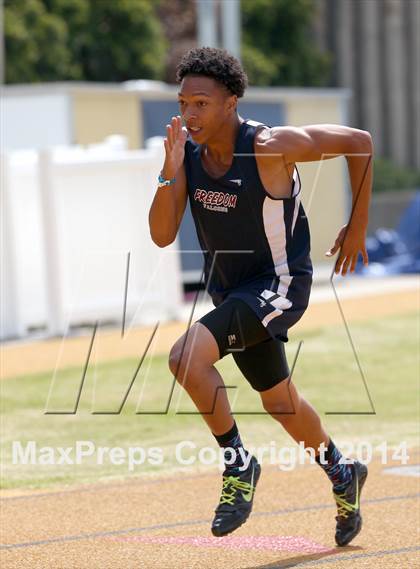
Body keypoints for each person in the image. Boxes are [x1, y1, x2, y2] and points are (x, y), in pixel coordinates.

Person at [148, 47, 372, 546]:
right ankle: (342, 471)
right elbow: (162, 235)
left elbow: (359, 141)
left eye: (201, 103)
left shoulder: (269, 146)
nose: (189, 114)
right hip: (233, 292)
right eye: (184, 102)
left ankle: (238, 464)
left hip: (280, 284)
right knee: (279, 401)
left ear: (231, 102)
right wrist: (168, 171)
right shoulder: (186, 153)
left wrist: (357, 226)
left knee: (185, 358)